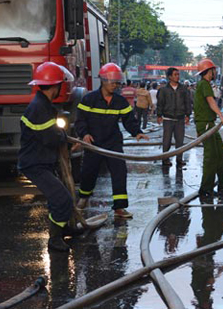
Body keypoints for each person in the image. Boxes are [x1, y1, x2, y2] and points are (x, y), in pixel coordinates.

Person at [75, 63, 149, 218]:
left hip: (113, 143)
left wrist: (137, 132)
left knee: (119, 173)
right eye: (112, 82)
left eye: (117, 82)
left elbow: (129, 120)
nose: (115, 85)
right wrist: (84, 135)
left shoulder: (120, 101)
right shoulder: (89, 99)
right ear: (103, 80)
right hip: (94, 143)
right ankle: (83, 198)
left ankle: (119, 208)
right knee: (88, 172)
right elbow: (80, 120)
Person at [18, 62, 77, 252]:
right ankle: (54, 239)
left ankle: (63, 228)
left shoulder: (43, 105)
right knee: (62, 199)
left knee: (57, 198)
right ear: (55, 86)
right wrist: (66, 139)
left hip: (42, 161)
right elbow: (51, 137)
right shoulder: (39, 108)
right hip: (35, 164)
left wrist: (64, 139)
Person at [194, 58, 223, 197]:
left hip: (209, 123)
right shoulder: (204, 84)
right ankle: (205, 188)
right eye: (214, 70)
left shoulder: (205, 84)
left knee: (221, 154)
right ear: (209, 71)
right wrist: (221, 116)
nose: (215, 73)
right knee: (211, 156)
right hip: (205, 123)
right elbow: (211, 101)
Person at [156, 67, 192, 166]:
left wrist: (188, 114)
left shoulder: (183, 89)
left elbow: (187, 102)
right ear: (169, 77)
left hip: (180, 118)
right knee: (166, 140)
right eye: (175, 75)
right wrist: (159, 115)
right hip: (168, 118)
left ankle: (179, 159)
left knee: (180, 141)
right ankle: (165, 159)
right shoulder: (163, 90)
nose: (177, 76)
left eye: (178, 74)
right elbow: (160, 103)